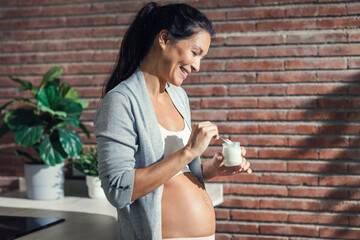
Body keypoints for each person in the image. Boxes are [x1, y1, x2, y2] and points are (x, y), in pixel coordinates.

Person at [94, 2, 252, 240]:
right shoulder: (121, 101)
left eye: (202, 57)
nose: (197, 66)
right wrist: (189, 151)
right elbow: (117, 189)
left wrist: (210, 170)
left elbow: (175, 172)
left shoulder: (179, 96)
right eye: (194, 53)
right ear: (165, 38)